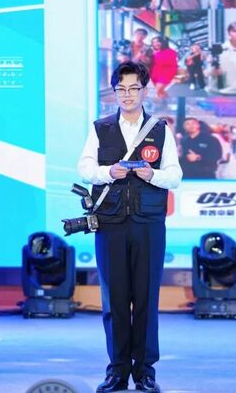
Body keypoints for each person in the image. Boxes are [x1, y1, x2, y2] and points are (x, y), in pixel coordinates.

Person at [78, 61, 182, 393]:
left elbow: (175, 175)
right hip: (110, 224)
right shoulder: (101, 128)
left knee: (147, 300)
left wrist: (154, 175)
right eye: (121, 89)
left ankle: (146, 373)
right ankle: (117, 371)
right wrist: (107, 172)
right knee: (115, 300)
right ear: (114, 92)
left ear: (144, 91)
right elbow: (84, 167)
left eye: (133, 88)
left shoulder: (160, 129)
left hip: (149, 224)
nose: (127, 95)